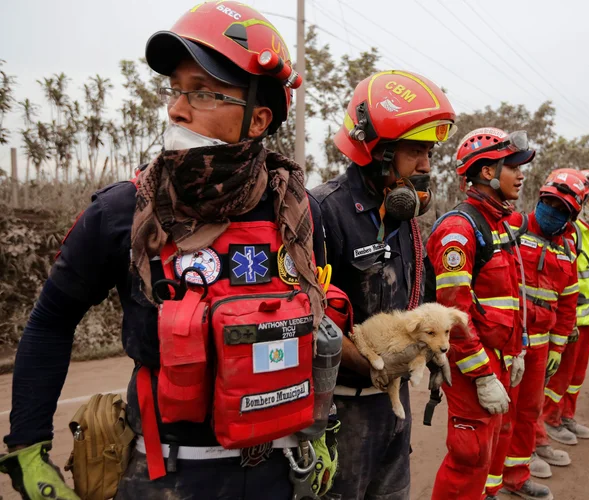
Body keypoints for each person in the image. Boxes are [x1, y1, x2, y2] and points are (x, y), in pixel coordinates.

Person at [1, 3, 345, 499]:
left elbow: (318, 323)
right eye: (176, 90)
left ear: (258, 119)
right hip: (167, 475)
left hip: (282, 469)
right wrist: (29, 445)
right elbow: (52, 319)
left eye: (203, 92)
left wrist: (325, 426)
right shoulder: (123, 211)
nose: (177, 109)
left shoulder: (298, 212)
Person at [311, 70, 456, 500]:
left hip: (393, 406)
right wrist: (374, 366)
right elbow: (308, 317)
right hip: (343, 409)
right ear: (376, 150)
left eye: (429, 153)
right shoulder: (322, 211)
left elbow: (417, 300)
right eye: (415, 152)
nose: (426, 166)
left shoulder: (403, 215)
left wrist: (428, 351)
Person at [427, 127, 533, 500]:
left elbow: (508, 298)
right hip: (472, 364)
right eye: (513, 166)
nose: (521, 175)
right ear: (487, 172)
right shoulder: (460, 229)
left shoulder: (497, 223)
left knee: (490, 448)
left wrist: (517, 347)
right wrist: (484, 375)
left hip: (497, 356)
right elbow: (453, 317)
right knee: (469, 456)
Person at [487, 169, 583, 500]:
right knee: (499, 414)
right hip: (507, 342)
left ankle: (516, 476)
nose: (553, 211)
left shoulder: (568, 251)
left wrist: (558, 347)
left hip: (540, 348)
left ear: (572, 216)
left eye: (562, 208)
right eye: (549, 203)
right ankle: (489, 483)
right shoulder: (513, 225)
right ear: (539, 199)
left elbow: (568, 305)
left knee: (528, 413)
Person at [536, 169, 589, 465]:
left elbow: (587, 275)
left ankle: (565, 415)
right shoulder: (566, 230)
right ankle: (549, 421)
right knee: (554, 379)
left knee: (575, 377)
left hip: (583, 317)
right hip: (564, 321)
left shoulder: (585, 232)